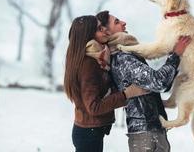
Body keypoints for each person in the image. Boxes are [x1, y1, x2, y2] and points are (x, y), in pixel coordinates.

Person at [96, 11, 191, 152]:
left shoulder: (126, 55)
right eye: (116, 22)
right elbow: (159, 82)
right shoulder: (123, 59)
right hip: (146, 134)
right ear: (107, 32)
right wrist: (175, 55)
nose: (123, 22)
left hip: (149, 132)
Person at [63, 15, 148, 152]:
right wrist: (127, 94)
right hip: (88, 135)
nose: (105, 31)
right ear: (88, 35)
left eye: (103, 26)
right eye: (99, 28)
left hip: (89, 131)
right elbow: (94, 107)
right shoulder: (88, 64)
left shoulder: (94, 58)